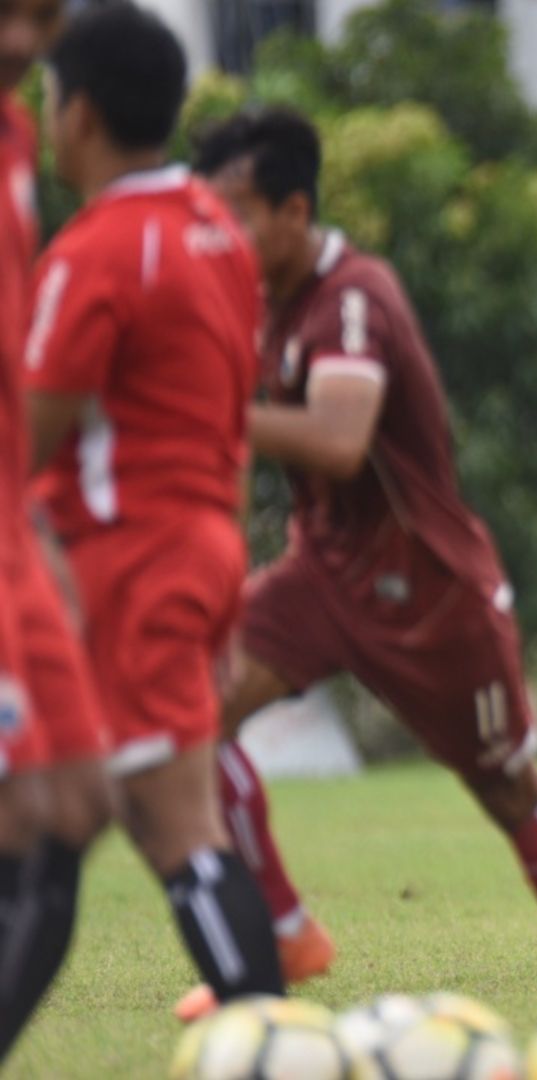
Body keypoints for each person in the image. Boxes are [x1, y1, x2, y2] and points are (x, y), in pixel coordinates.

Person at [176, 106, 537, 1019]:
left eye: (235, 211)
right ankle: (285, 932)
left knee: (503, 786)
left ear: (294, 210)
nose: (218, 231)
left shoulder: (353, 295)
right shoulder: (252, 299)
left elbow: (340, 442)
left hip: (428, 587)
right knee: (189, 716)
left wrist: (201, 411)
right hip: (320, 573)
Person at [17, 0, 287, 1032]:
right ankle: (272, 1036)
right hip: (201, 544)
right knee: (74, 828)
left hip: (116, 564)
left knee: (153, 831)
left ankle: (271, 1040)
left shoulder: (94, 254)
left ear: (77, 114)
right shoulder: (216, 228)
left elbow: (23, 443)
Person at [0, 0, 119, 1059]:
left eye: (42, 16)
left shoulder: (21, 137)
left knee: (80, 802)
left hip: (14, 532)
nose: (26, 40)